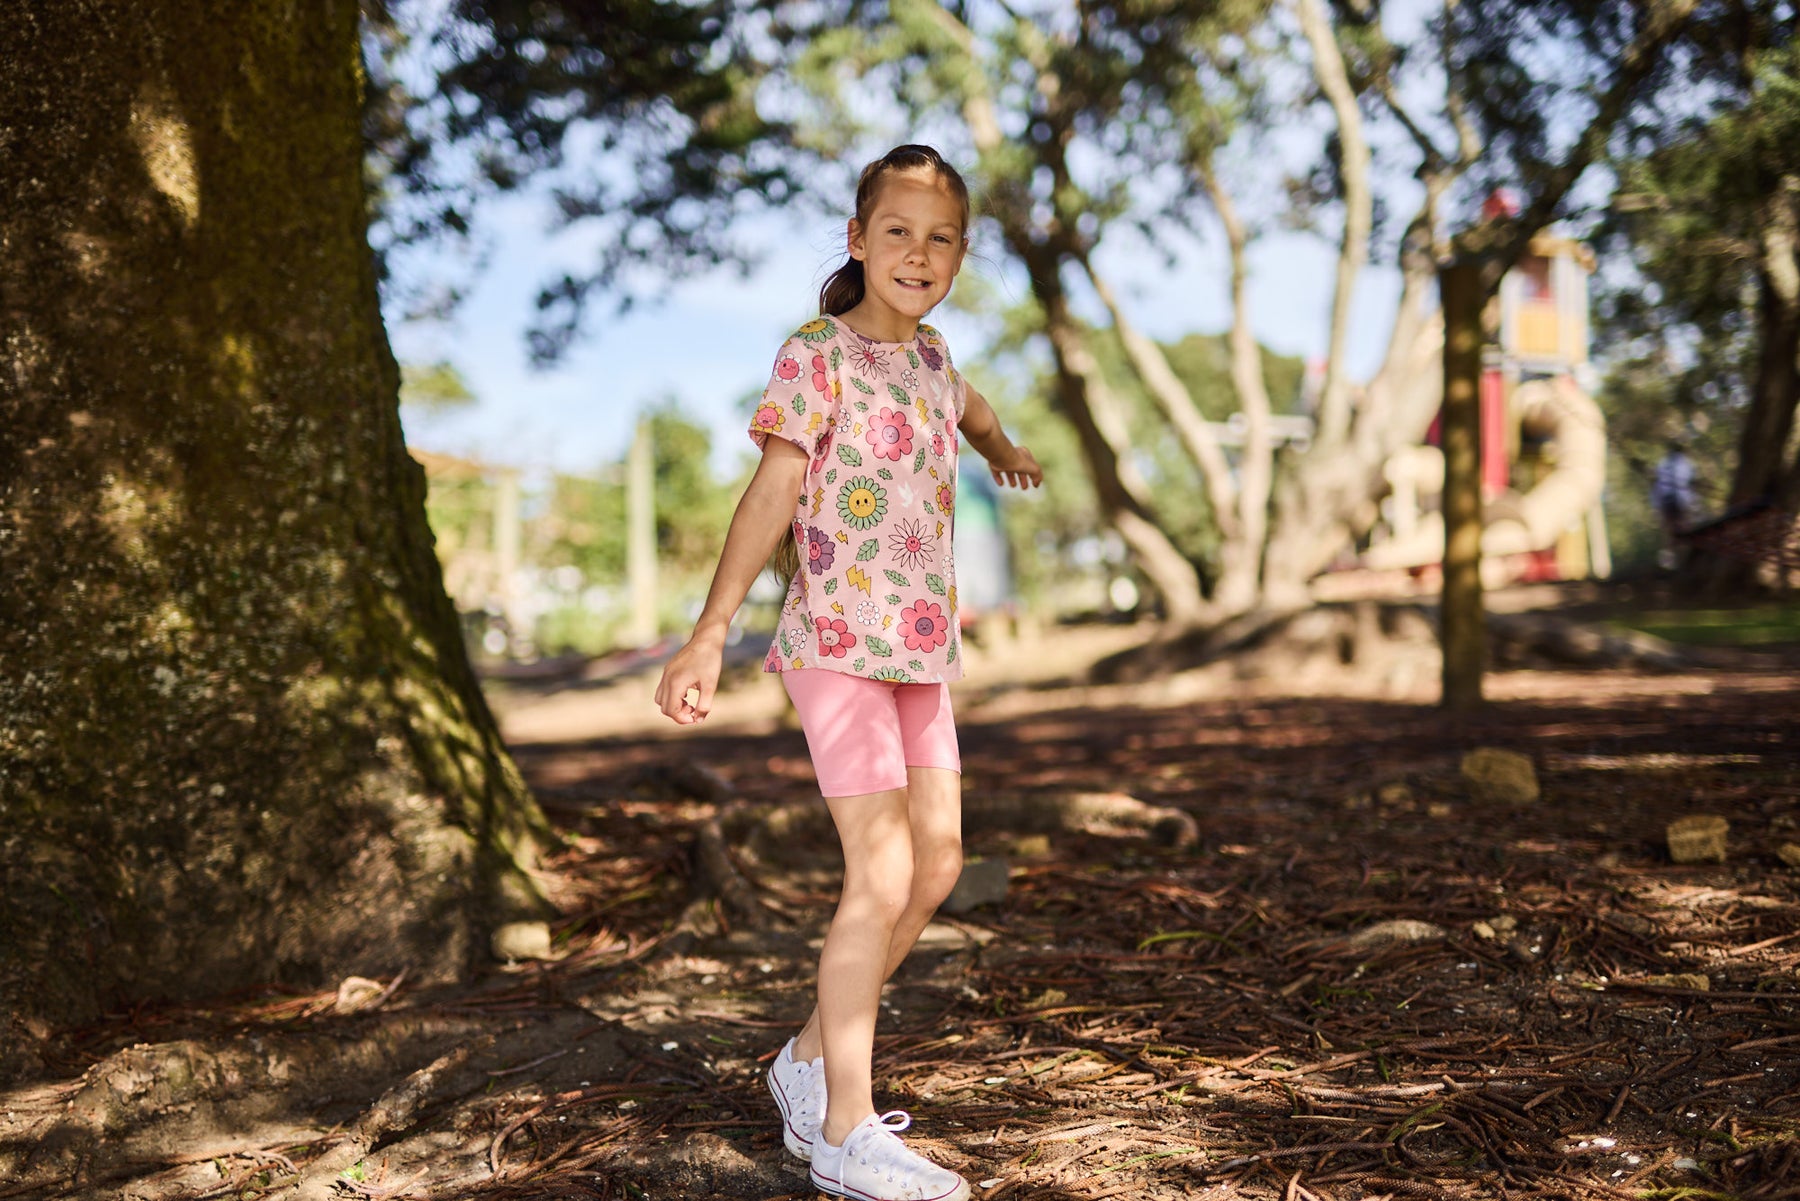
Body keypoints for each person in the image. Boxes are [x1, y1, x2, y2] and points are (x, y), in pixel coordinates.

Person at [654, 144, 1043, 1201]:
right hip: (835, 644)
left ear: (961, 254)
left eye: (941, 238)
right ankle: (843, 1132)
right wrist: (709, 630)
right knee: (878, 872)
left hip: (921, 651)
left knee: (940, 862)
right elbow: (771, 493)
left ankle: (804, 1058)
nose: (919, 253)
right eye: (898, 231)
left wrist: (1005, 451)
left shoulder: (937, 360)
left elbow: (972, 409)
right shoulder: (814, 356)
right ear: (859, 240)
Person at [1650, 439, 1697, 569]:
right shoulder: (1686, 464)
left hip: (1666, 503)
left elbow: (1656, 487)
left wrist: (1656, 506)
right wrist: (1693, 504)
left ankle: (1670, 561)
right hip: (1681, 503)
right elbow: (1690, 486)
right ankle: (1684, 559)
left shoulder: (1662, 464)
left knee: (1670, 532)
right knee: (1684, 529)